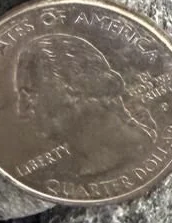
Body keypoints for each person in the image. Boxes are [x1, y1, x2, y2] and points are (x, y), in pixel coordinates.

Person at [11, 33, 158, 180]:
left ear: (75, 85)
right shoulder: (74, 170)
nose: (22, 111)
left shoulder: (137, 150)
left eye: (30, 93)